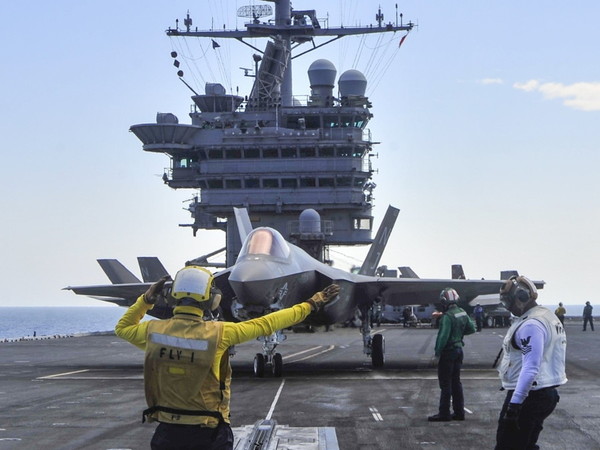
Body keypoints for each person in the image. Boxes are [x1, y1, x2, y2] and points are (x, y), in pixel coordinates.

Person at [115, 265, 340, 450]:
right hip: (209, 434)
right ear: (210, 299)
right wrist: (311, 304)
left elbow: (123, 328)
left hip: (167, 434)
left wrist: (146, 299)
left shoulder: (152, 332)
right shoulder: (220, 333)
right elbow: (268, 323)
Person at [495, 276, 567, 450]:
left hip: (530, 395)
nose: (509, 308)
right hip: (545, 392)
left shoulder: (531, 325)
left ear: (521, 297)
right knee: (526, 444)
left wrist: (514, 406)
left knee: (507, 445)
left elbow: (531, 366)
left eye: (508, 302)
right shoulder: (547, 317)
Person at [428, 288, 476, 422]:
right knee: (456, 382)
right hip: (459, 350)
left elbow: (443, 337)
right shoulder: (462, 313)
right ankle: (459, 413)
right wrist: (458, 334)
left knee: (445, 384)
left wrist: (437, 354)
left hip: (448, 353)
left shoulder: (447, 317)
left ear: (444, 301)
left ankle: (444, 413)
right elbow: (472, 329)